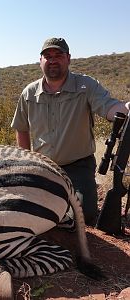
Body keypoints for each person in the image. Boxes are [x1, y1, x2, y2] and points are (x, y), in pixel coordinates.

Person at [11, 37, 130, 225]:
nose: (53, 60)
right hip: (43, 166)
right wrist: (26, 162)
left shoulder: (86, 85)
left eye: (58, 55)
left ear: (68, 58)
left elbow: (109, 108)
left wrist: (127, 108)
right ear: (40, 61)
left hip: (78, 166)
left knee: (84, 216)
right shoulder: (29, 93)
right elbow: (21, 129)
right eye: (47, 56)